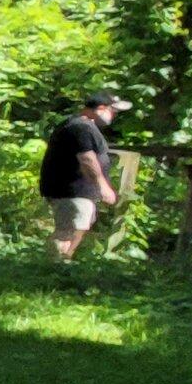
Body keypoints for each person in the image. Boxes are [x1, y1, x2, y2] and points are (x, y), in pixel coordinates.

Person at [40, 91, 129, 260]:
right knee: (67, 233)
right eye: (113, 110)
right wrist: (102, 186)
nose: (114, 115)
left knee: (76, 229)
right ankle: (51, 268)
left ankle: (60, 265)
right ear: (101, 108)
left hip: (77, 192)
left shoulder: (82, 126)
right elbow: (87, 158)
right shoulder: (80, 127)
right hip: (72, 191)